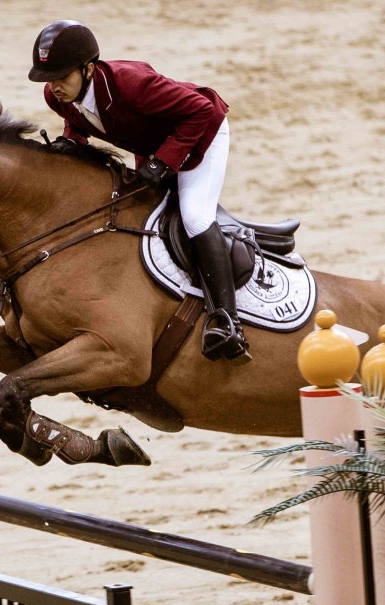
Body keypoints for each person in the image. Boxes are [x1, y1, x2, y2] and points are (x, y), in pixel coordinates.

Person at [29, 19, 248, 362]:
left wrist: (163, 163)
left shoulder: (131, 84)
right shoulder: (57, 97)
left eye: (62, 77)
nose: (54, 86)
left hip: (202, 135)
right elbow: (77, 121)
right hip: (155, 143)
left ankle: (227, 319)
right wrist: (71, 142)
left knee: (194, 216)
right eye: (49, 79)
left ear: (88, 69)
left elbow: (201, 111)